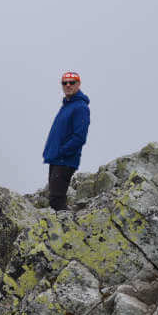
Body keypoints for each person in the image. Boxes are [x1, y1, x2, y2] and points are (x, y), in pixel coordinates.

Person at [43, 71, 90, 211]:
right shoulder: (67, 106)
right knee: (55, 199)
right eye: (65, 83)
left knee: (56, 201)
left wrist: (62, 152)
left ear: (78, 84)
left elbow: (79, 137)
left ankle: (71, 230)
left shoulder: (80, 107)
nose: (68, 85)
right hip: (56, 158)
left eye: (72, 82)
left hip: (65, 159)